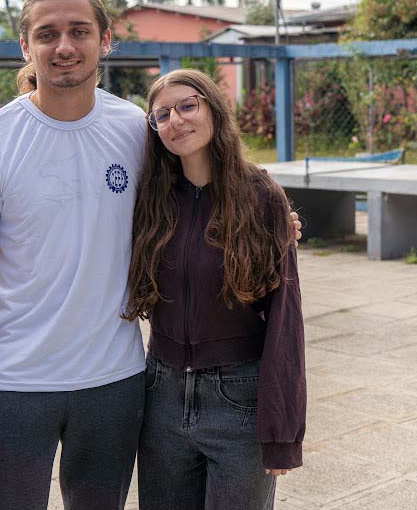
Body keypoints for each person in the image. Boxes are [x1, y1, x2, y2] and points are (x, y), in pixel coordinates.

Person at [0, 0, 147, 510]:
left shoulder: (136, 130)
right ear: (25, 45)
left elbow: (207, 183)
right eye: (47, 33)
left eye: (79, 31)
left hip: (115, 382)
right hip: (15, 386)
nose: (64, 47)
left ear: (105, 40)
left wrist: (273, 215)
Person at [125, 69, 306, 510]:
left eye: (188, 106)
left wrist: (282, 431)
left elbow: (286, 318)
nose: (176, 120)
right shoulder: (150, 197)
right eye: (162, 114)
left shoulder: (261, 195)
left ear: (214, 109)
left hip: (239, 398)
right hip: (162, 395)